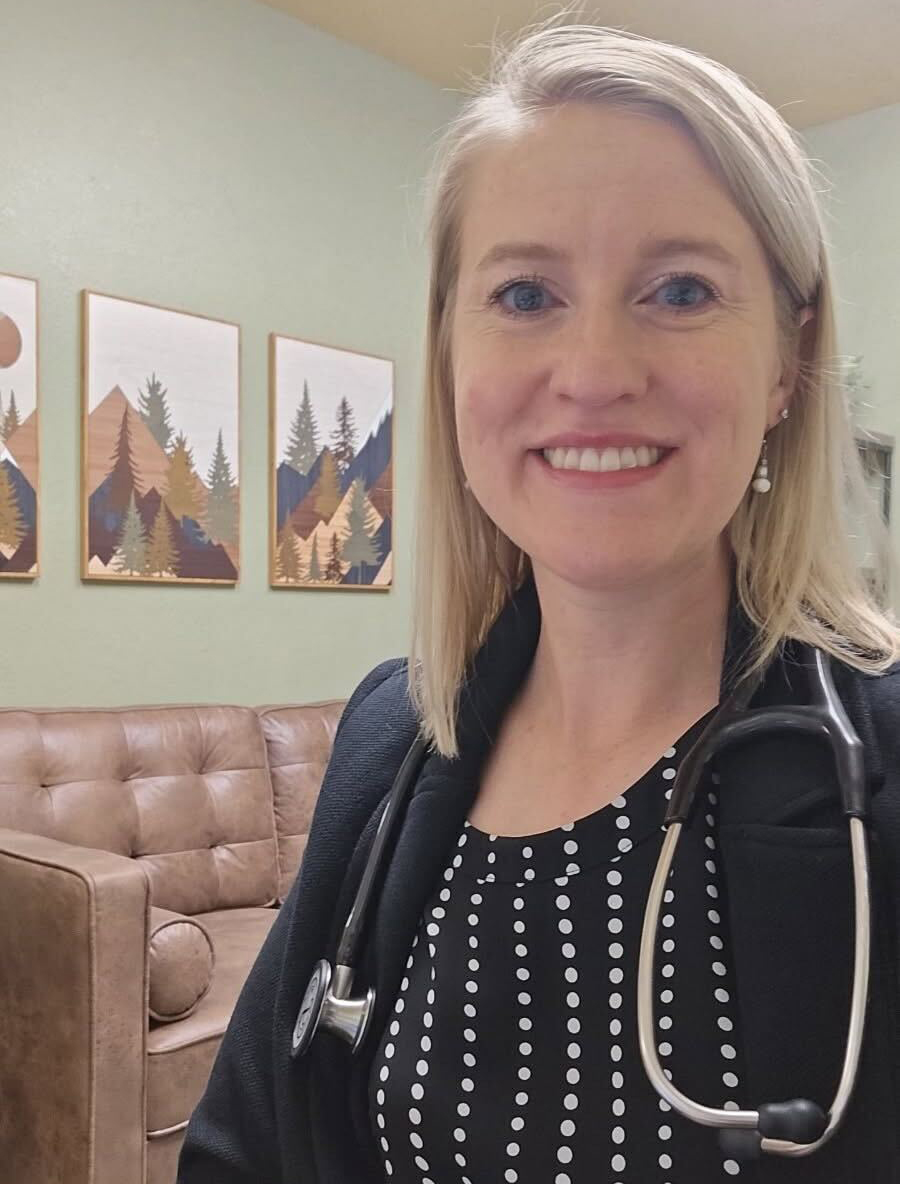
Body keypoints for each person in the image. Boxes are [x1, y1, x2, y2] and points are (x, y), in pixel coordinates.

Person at [178, 20, 900, 1184]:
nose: (597, 369)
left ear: (786, 363)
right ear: (453, 352)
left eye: (680, 288)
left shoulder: (878, 761)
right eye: (524, 292)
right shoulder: (392, 738)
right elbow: (242, 1146)